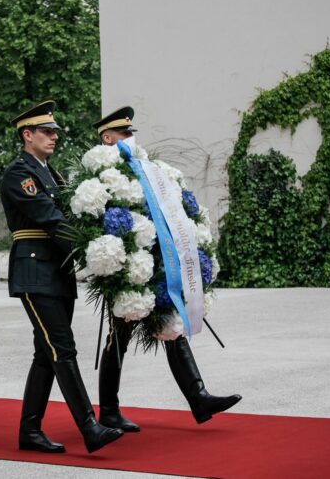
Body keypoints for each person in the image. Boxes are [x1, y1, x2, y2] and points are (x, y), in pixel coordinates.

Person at [94, 106, 242, 431]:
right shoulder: (102, 173)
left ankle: (199, 397)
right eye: (124, 133)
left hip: (159, 262)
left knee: (172, 325)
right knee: (118, 336)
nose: (132, 138)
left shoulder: (148, 170)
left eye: (132, 132)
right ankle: (108, 410)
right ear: (108, 138)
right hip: (130, 266)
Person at [0, 100, 124, 454]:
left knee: (46, 353)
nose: (54, 137)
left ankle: (29, 431)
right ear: (27, 135)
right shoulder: (19, 173)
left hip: (56, 271)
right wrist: (91, 249)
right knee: (62, 347)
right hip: (35, 270)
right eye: (46, 132)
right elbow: (50, 217)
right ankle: (89, 427)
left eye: (54, 132)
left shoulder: (51, 173)